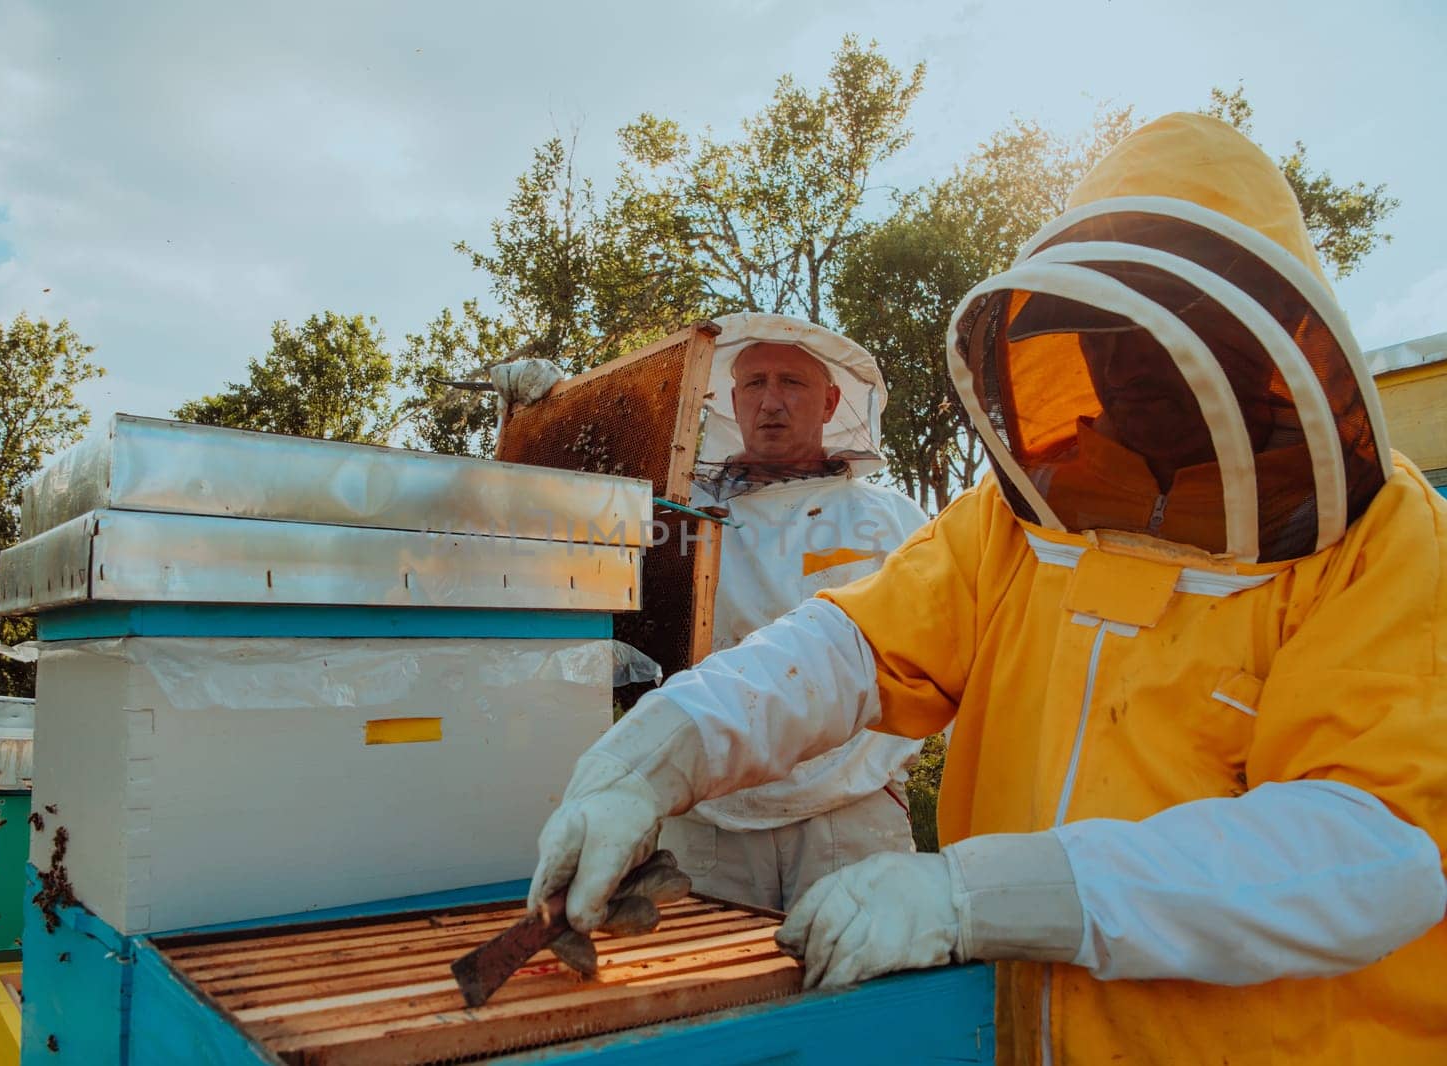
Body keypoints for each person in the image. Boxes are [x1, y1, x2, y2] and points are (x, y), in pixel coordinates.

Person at [524, 112, 1447, 1063]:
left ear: (1261, 342)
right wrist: (652, 758)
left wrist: (978, 894)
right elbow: (846, 647)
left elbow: (1374, 853)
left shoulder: (1388, 541)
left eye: (1167, 327)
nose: (1129, 360)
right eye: (1105, 328)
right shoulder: (1015, 520)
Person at [657, 313, 927, 910]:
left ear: (831, 402)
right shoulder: (677, 516)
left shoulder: (891, 518)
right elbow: (578, 553)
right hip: (705, 810)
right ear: (733, 400)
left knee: (856, 993)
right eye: (755, 384)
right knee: (705, 989)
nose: (771, 401)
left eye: (792, 383)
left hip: (850, 808)